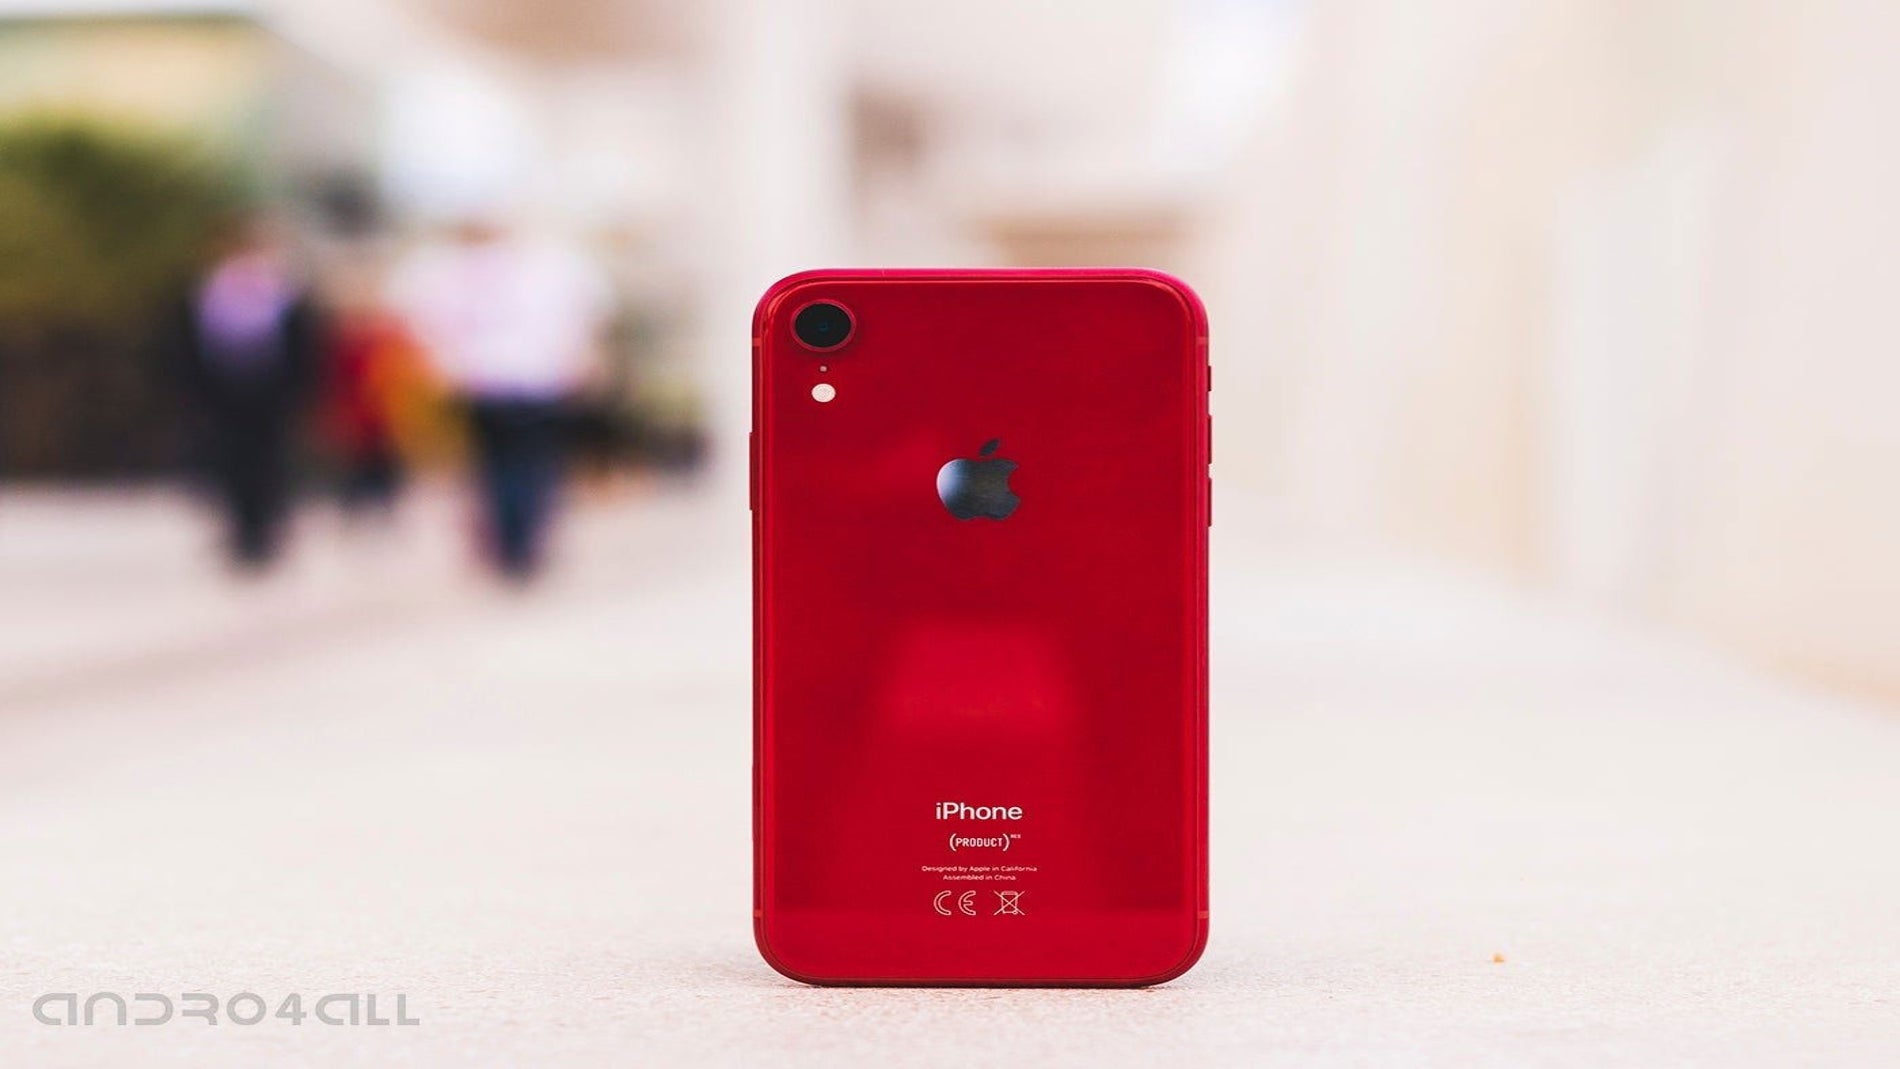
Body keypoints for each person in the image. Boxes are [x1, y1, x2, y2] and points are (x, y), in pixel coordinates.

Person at [388, 219, 609, 579]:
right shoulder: (544, 266)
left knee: (495, 464)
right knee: (532, 463)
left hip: (484, 381)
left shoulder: (450, 271)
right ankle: (523, 540)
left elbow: (422, 321)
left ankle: (508, 541)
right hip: (536, 379)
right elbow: (581, 315)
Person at [175, 216, 323, 568]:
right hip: (224, 392)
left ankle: (266, 529)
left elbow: (304, 346)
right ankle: (241, 529)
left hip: (272, 393)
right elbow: (187, 345)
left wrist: (299, 389)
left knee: (269, 461)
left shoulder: (283, 292)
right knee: (230, 461)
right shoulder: (209, 292)